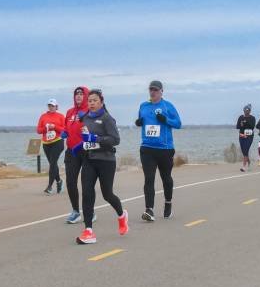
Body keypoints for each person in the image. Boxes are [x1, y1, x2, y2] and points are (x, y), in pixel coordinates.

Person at [74, 89, 128, 244]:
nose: (91, 103)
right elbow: (86, 139)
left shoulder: (107, 118)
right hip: (89, 160)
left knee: (107, 194)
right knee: (87, 193)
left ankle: (122, 215)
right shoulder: (85, 118)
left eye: (94, 100)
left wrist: (95, 138)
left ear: (101, 102)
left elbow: (115, 140)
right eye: (89, 101)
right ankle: (88, 230)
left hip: (106, 161)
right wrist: (80, 145)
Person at [134, 80, 182, 221]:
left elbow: (178, 124)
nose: (153, 92)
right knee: (149, 179)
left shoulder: (168, 106)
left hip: (165, 149)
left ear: (161, 91)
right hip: (147, 148)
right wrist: (138, 123)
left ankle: (168, 203)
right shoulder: (143, 106)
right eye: (151, 89)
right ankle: (149, 210)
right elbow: (141, 120)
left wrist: (166, 119)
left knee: (166, 178)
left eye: (155, 90)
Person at [62, 86, 96, 224]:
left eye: (81, 93)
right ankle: (76, 211)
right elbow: (66, 126)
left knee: (87, 184)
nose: (78, 96)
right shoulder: (70, 112)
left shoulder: (91, 110)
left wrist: (85, 119)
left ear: (86, 96)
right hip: (72, 151)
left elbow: (96, 129)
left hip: (87, 150)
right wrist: (64, 131)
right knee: (70, 182)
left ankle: (90, 211)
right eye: (76, 94)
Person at [36, 99, 65, 194]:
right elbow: (38, 130)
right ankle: (59, 181)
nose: (51, 107)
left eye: (53, 106)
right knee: (53, 164)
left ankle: (49, 187)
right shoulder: (43, 116)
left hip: (58, 142)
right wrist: (46, 128)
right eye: (49, 105)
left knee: (52, 163)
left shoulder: (61, 116)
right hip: (46, 143)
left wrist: (54, 127)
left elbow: (65, 130)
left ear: (56, 107)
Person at [236, 104, 256, 172]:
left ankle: (244, 167)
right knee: (244, 151)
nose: (246, 111)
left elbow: (252, 126)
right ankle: (249, 162)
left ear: (250, 111)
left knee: (246, 149)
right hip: (241, 135)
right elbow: (237, 127)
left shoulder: (252, 118)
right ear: (243, 110)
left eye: (248, 110)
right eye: (245, 110)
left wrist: (245, 122)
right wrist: (241, 124)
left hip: (249, 136)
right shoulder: (240, 117)